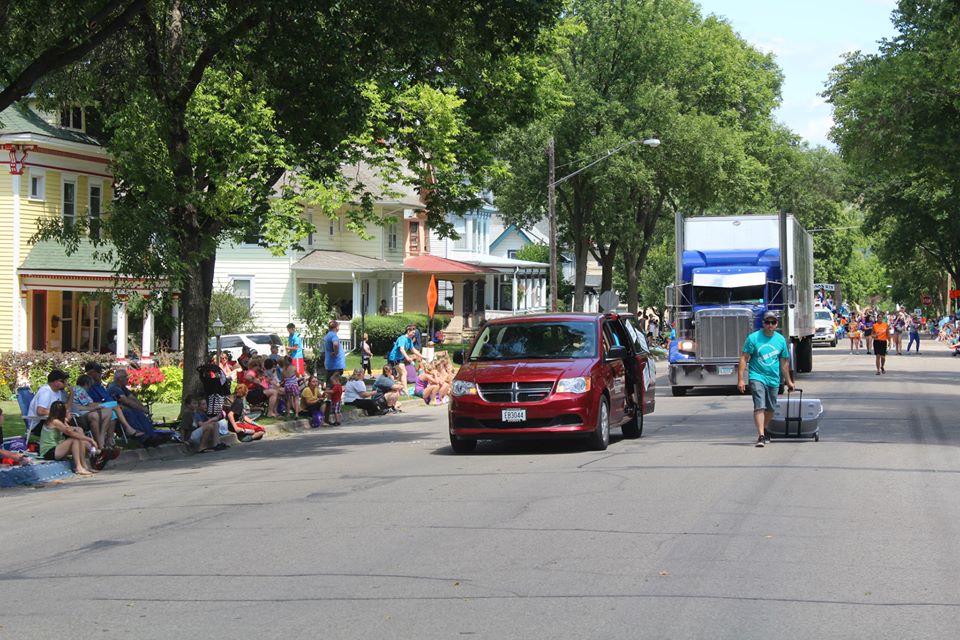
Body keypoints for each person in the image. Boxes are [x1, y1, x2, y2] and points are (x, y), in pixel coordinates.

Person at [737, 311, 795, 448]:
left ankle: (764, 427)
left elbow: (784, 363)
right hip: (756, 376)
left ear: (776, 324)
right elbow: (744, 358)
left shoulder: (780, 340)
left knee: (771, 408)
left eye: (773, 322)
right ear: (763, 323)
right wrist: (741, 379)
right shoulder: (753, 338)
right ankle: (761, 435)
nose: (770, 325)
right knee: (760, 405)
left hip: (773, 379)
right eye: (767, 322)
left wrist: (789, 381)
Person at [39, 401, 99, 475]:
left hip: (57, 448)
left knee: (79, 435)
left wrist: (67, 422)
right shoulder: (54, 421)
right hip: (48, 452)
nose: (68, 411)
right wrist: (90, 439)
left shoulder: (59, 421)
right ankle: (79, 467)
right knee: (74, 440)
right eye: (66, 410)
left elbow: (70, 429)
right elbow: (70, 433)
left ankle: (85, 465)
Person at [107, 368, 164, 445]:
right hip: (117, 412)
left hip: (125, 410)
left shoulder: (123, 387)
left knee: (139, 413)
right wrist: (142, 408)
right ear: (119, 379)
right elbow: (125, 400)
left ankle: (152, 435)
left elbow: (132, 398)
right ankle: (143, 437)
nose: (128, 378)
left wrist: (141, 407)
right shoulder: (114, 387)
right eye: (125, 376)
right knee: (129, 412)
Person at [26, 370, 71, 437]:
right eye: (64, 381)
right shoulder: (45, 391)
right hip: (38, 424)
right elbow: (40, 411)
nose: (66, 383)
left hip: (50, 420)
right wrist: (60, 414)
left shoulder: (58, 392)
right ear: (56, 382)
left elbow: (66, 407)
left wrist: (72, 393)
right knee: (72, 432)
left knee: (76, 429)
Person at [387, 324, 422, 390]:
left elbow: (413, 349)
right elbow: (401, 349)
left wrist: (422, 356)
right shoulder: (402, 338)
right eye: (413, 332)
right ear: (408, 331)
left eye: (414, 333)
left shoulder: (409, 340)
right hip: (394, 358)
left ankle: (397, 388)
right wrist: (407, 357)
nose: (413, 334)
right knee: (404, 373)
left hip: (400, 358)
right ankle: (405, 390)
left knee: (401, 374)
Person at [323, 319, 346, 384]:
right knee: (335, 383)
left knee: (330, 383)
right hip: (336, 365)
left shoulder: (327, 336)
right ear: (336, 327)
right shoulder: (334, 335)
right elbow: (335, 344)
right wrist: (336, 353)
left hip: (330, 364)